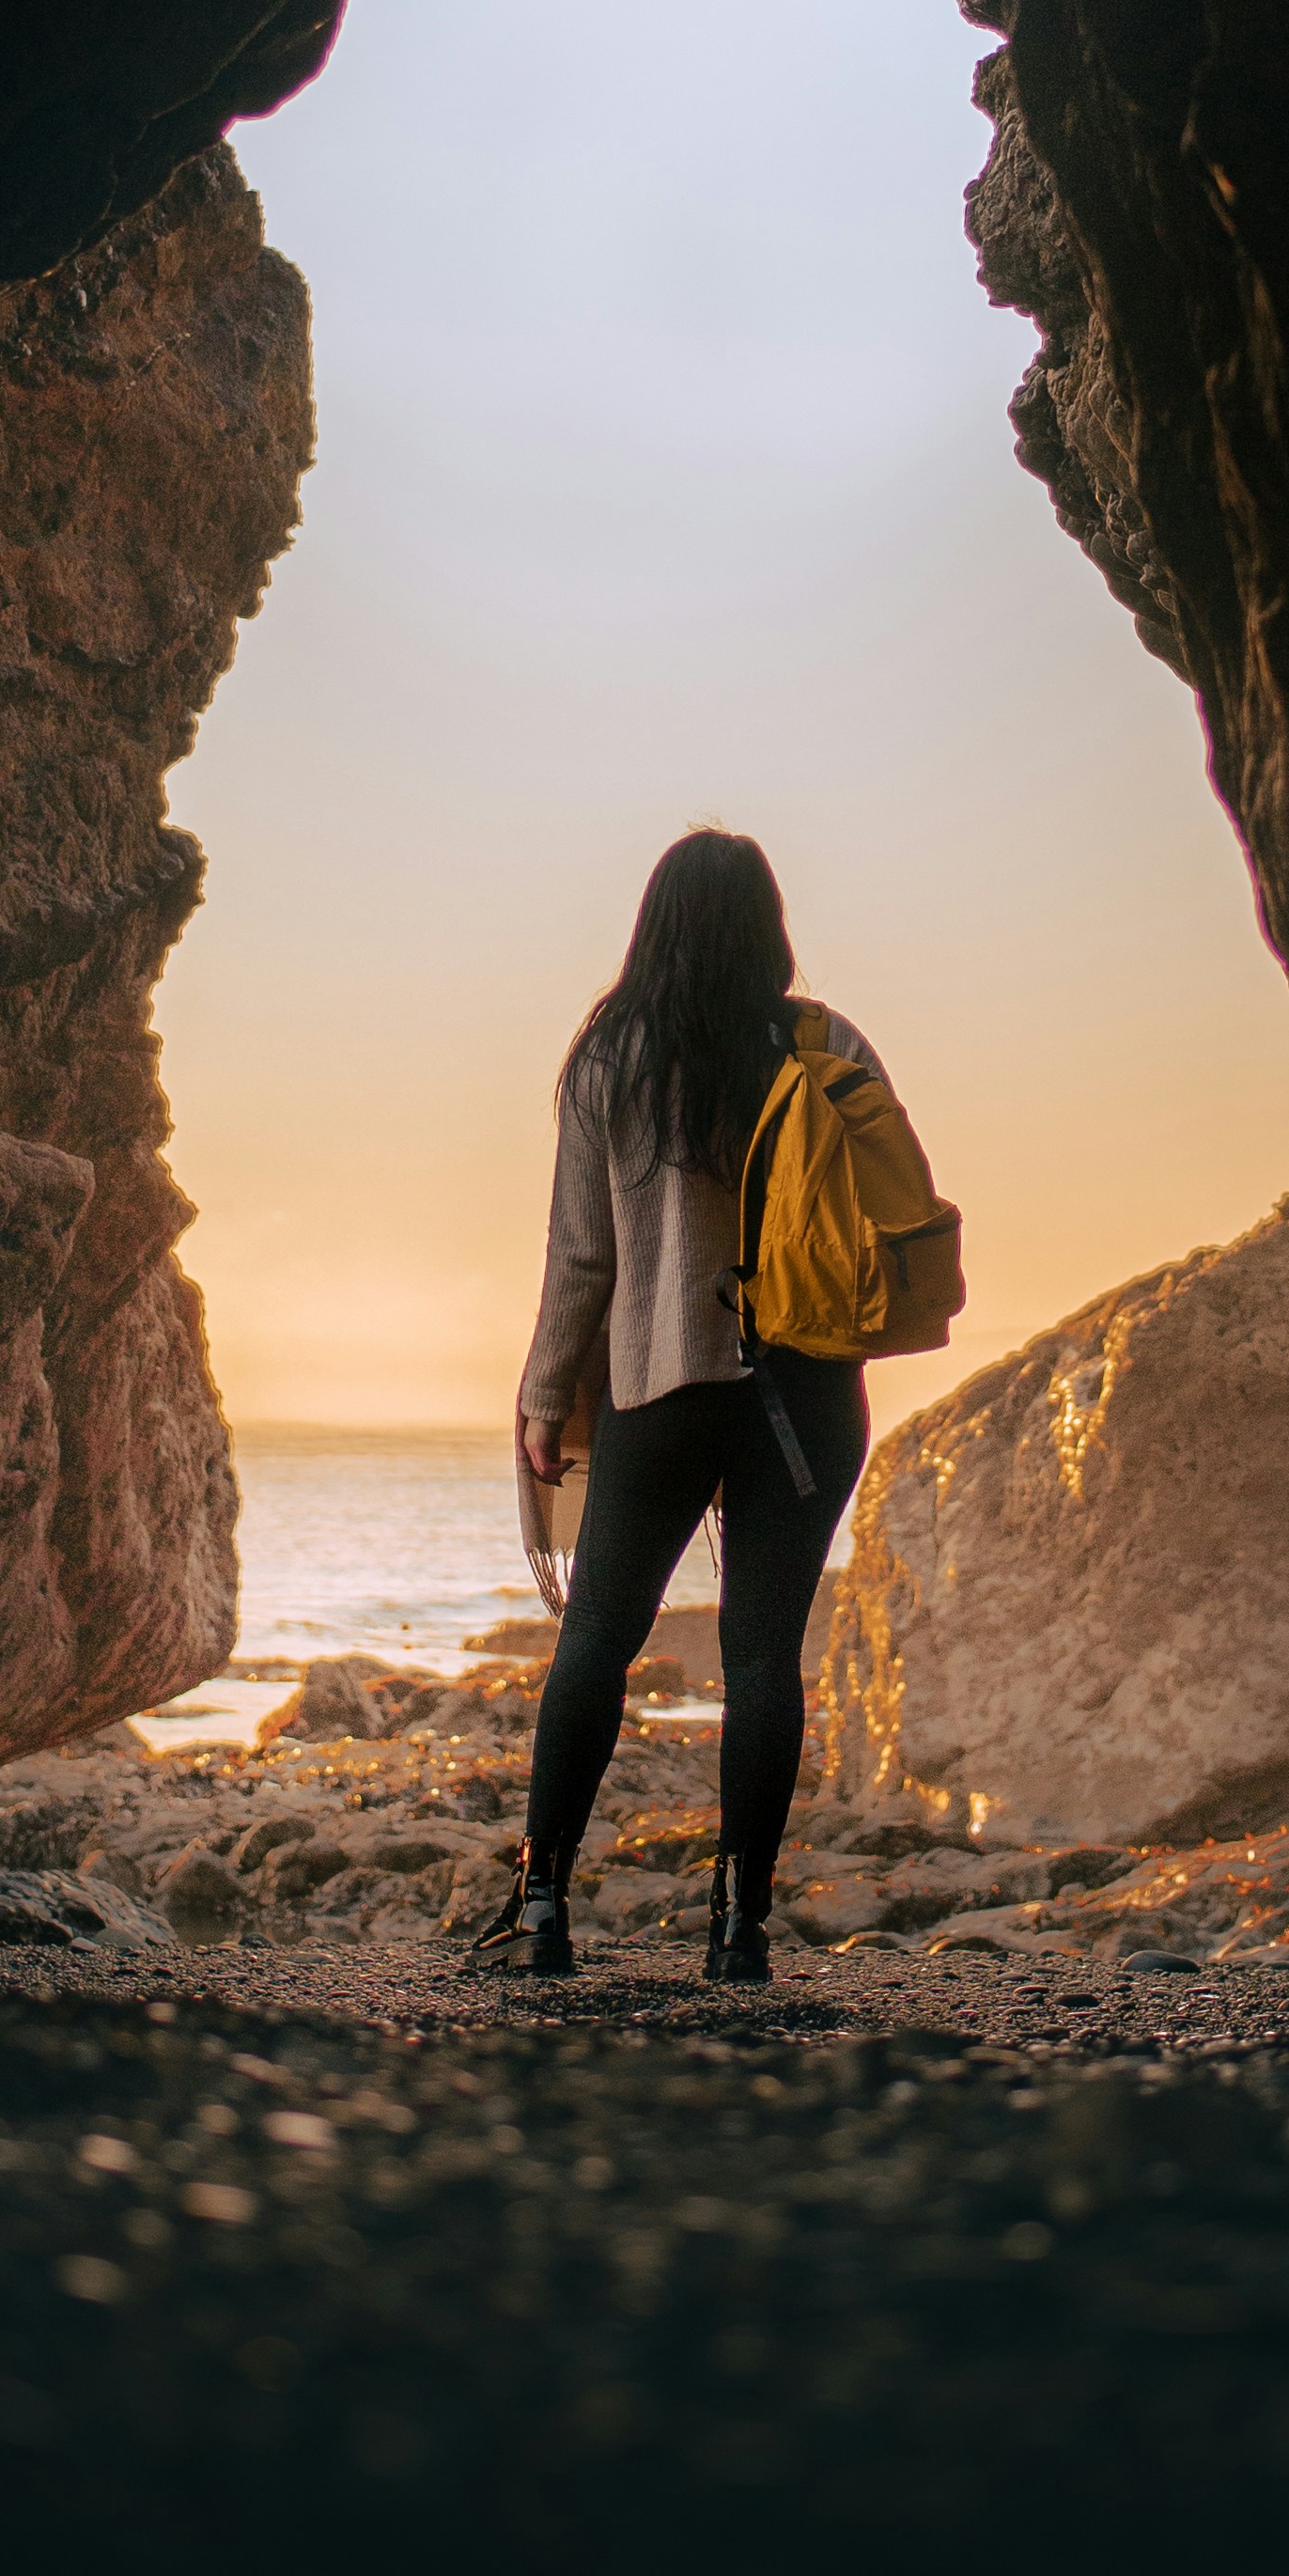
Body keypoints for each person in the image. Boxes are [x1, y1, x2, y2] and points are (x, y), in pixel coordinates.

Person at [496, 827, 877, 1982]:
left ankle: (543, 1908)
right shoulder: (825, 1043)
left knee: (598, 1637)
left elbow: (580, 1257)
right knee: (763, 1659)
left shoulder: (611, 1055)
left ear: (651, 922)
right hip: (805, 1397)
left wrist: (541, 1394)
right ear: (769, 922)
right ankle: (738, 1931)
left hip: (658, 1388)